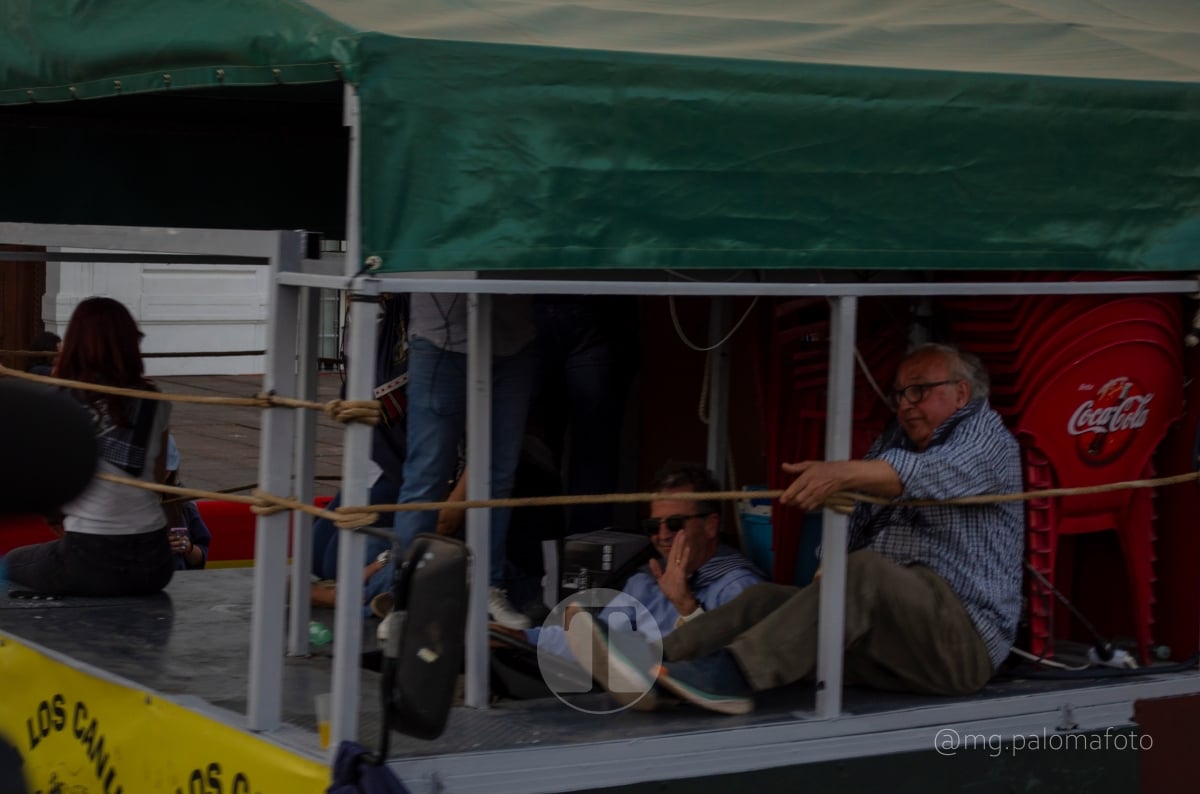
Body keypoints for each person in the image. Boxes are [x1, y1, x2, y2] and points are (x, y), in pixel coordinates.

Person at [575, 343, 1024, 714]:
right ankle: (653, 665)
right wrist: (824, 576)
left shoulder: (986, 437)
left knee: (863, 571)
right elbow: (856, 517)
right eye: (900, 394)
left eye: (919, 391)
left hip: (961, 645)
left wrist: (842, 474)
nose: (905, 404)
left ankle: (733, 677)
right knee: (764, 599)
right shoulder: (895, 441)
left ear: (961, 393)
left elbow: (927, 474)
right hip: (894, 639)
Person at [502, 461, 764, 659]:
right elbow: (597, 642)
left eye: (674, 524)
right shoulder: (645, 580)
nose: (662, 536)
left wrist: (686, 606)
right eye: (653, 526)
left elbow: (736, 670)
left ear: (710, 526)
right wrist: (522, 636)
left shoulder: (739, 587)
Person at [3, 297, 175, 596]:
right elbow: (159, 479)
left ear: (74, 343)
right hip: (155, 561)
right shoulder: (154, 399)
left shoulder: (59, 399)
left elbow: (48, 486)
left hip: (90, 561)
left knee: (9, 565)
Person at [392, 293, 536, 629]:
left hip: (513, 337)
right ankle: (408, 601)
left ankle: (489, 585)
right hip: (439, 337)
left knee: (498, 475)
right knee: (426, 474)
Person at [162, 435, 212, 570]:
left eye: (166, 470)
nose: (161, 474)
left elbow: (200, 557)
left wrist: (187, 547)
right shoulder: (127, 505)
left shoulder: (183, 504)